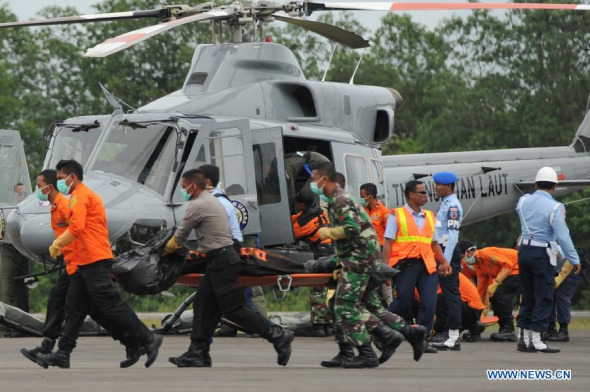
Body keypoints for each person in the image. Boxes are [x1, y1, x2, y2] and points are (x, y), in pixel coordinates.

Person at [35, 160, 162, 369]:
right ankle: (63, 353)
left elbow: (76, 228)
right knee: (75, 307)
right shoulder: (77, 196)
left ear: (71, 177)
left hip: (93, 259)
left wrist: (57, 244)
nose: (58, 183)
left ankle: (147, 338)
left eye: (59, 178)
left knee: (110, 303)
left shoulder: (81, 197)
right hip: (84, 260)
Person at [165, 169, 294, 367]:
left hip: (222, 260)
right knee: (203, 305)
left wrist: (160, 252)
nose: (182, 190)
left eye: (184, 187)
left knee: (234, 310)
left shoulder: (198, 205)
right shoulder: (212, 199)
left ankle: (277, 334)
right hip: (220, 258)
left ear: (193, 185)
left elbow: (178, 239)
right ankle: (198, 352)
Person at [311, 162, 407, 369]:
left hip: (359, 258)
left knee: (345, 305)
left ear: (323, 179)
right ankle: (350, 349)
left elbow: (351, 228)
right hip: (354, 256)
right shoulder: (338, 198)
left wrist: (327, 233)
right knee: (343, 303)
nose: (312, 183)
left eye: (313, 178)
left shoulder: (340, 199)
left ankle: (369, 351)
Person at [515, 166, 581, 353]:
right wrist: (574, 259)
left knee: (527, 296)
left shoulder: (523, 201)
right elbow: (563, 236)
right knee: (544, 295)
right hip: (542, 254)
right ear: (554, 187)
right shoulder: (555, 207)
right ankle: (536, 339)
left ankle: (523, 337)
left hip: (524, 251)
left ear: (535, 184)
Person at [383, 180, 451, 354]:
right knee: (403, 301)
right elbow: (388, 244)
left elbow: (434, 244)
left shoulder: (429, 216)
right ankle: (380, 328)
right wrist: (384, 271)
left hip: (427, 266)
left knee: (429, 302)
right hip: (406, 265)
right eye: (422, 193)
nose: (426, 196)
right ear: (411, 195)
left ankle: (423, 339)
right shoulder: (396, 215)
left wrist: (444, 262)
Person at [199, 164, 266, 338]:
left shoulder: (219, 203)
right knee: (226, 296)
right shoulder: (218, 201)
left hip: (231, 252)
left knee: (245, 295)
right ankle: (228, 328)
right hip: (231, 251)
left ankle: (269, 329)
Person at [291, 190, 333, 337]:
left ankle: (318, 326)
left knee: (317, 289)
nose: (295, 205)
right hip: (330, 251)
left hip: (322, 254)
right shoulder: (320, 212)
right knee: (325, 289)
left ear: (302, 204)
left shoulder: (304, 223)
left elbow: (293, 232)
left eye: (297, 203)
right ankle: (327, 324)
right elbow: (299, 218)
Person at [460, 240, 520, 341]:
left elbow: (508, 265)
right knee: (493, 295)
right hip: (509, 273)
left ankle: (508, 329)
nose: (463, 259)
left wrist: (495, 283)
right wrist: (477, 309)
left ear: (469, 251)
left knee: (501, 294)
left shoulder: (486, 254)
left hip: (518, 268)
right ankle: (504, 328)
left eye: (462, 256)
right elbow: (482, 290)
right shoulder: (479, 264)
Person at [431, 171, 463, 351]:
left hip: (447, 251)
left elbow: (452, 235)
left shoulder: (452, 206)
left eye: (439, 184)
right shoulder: (445, 203)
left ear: (449, 186)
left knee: (451, 294)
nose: (436, 187)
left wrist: (446, 261)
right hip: (441, 251)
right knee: (446, 294)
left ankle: (453, 336)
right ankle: (448, 333)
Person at [432, 273, 486, 343]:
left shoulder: (444, 275)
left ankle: (445, 332)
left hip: (467, 307)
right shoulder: (453, 272)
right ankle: (474, 326)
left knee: (440, 298)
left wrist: (437, 329)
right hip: (474, 309)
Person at [545, 248, 584, 342]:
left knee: (561, 296)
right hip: (556, 269)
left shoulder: (560, 253)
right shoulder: (533, 254)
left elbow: (562, 275)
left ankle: (563, 331)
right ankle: (550, 329)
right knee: (548, 295)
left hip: (572, 267)